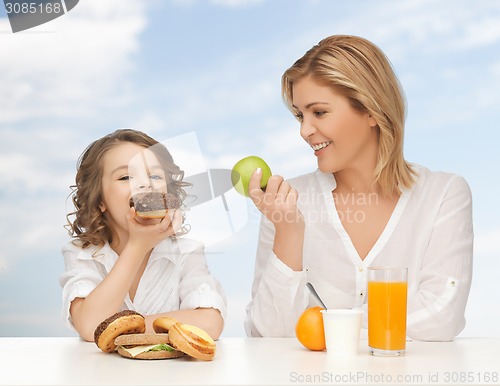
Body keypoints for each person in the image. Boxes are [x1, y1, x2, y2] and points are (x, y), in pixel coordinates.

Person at [244, 35, 473, 341]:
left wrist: (330, 327)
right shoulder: (285, 203)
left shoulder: (444, 194)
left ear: (371, 111)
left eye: (319, 112)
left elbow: (441, 316)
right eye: (300, 115)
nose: (304, 130)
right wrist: (289, 232)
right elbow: (266, 335)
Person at [60, 129, 226, 341]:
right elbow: (90, 325)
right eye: (125, 176)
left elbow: (210, 323)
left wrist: (123, 327)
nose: (145, 184)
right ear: (100, 200)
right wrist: (136, 247)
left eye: (155, 175)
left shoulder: (186, 252)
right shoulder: (81, 253)